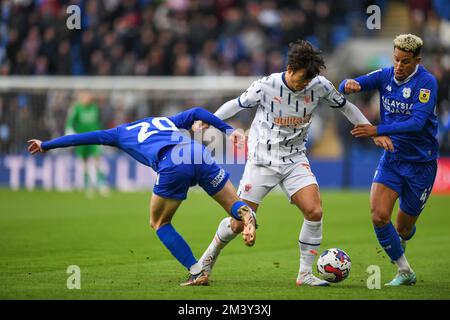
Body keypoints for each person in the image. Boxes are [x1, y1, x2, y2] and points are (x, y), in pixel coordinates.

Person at [193, 40, 390, 286]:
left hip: (295, 159)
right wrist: (208, 119)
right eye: (301, 79)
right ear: (290, 68)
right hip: (261, 162)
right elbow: (235, 104)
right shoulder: (266, 85)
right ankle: (205, 263)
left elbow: (347, 108)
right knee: (237, 223)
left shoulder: (320, 86)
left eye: (308, 80)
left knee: (314, 211)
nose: (304, 84)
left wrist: (373, 131)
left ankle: (305, 274)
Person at [27, 107, 257, 287]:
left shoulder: (119, 132)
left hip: (172, 162)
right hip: (198, 153)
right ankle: (246, 214)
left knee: (159, 222)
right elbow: (197, 112)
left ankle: (198, 273)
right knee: (232, 205)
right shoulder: (163, 121)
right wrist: (228, 130)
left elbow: (84, 138)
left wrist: (46, 145)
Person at [339, 34, 439, 286]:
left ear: (417, 60)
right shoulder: (385, 75)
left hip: (420, 165)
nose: (399, 66)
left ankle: (401, 238)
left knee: (403, 229)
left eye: (405, 62)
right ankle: (405, 271)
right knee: (378, 216)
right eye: (396, 60)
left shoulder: (426, 83)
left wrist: (376, 130)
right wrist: (347, 84)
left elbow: (417, 123)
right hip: (393, 159)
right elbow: (348, 85)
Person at [65, 91, 108, 197]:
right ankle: (87, 186)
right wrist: (70, 132)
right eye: (84, 96)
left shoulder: (95, 107)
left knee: (97, 160)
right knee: (84, 162)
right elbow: (70, 122)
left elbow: (99, 121)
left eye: (88, 95)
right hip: (82, 139)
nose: (87, 98)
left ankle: (101, 184)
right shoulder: (76, 108)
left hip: (94, 138)